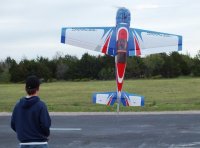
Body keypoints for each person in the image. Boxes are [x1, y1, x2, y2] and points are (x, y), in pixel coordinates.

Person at [11, 75, 51, 148]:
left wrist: (24, 134)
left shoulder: (17, 106)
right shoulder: (41, 105)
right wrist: (45, 134)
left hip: (24, 143)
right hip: (40, 143)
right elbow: (45, 125)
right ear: (38, 88)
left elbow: (13, 124)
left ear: (25, 88)